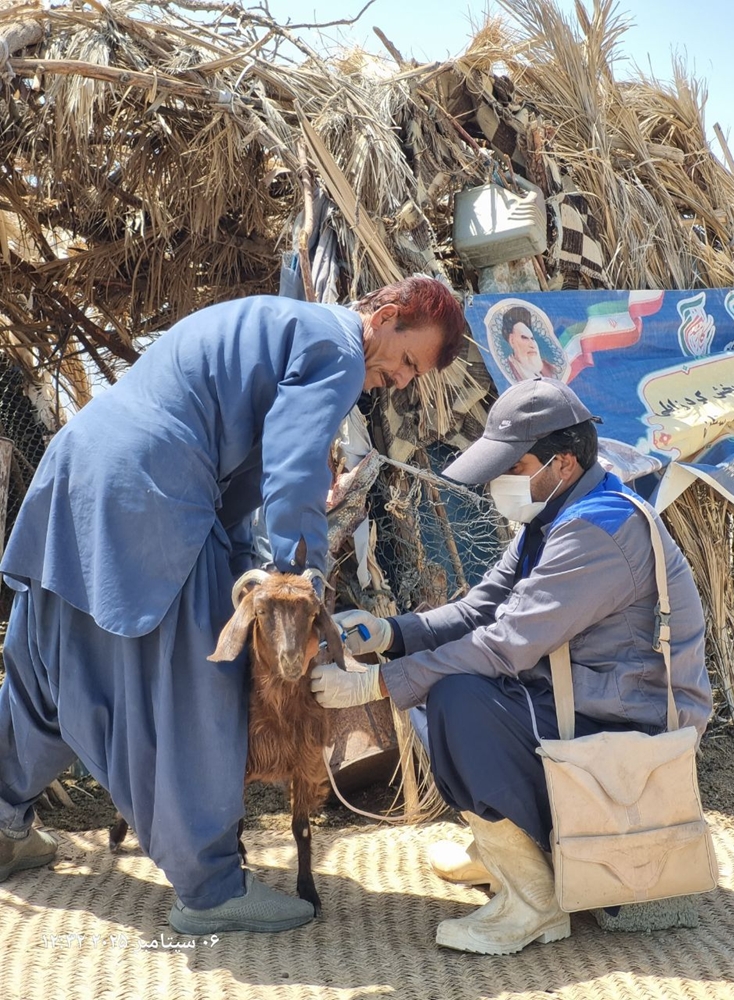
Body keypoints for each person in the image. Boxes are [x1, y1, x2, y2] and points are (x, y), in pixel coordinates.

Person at [0, 277, 465, 935]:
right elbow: (294, 465)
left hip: (80, 470)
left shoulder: (277, 323)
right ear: (386, 316)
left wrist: (242, 563)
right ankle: (211, 890)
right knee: (194, 690)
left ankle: (3, 824)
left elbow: (237, 474)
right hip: (150, 492)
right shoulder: (336, 348)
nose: (400, 380)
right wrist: (299, 579)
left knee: (49, 666)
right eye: (408, 360)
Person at [310, 376, 712, 956]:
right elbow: (480, 609)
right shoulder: (555, 517)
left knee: (455, 699)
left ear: (563, 463)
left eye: (513, 467)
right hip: (586, 711)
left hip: (632, 737)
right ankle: (505, 850)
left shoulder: (598, 532)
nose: (500, 482)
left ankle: (533, 898)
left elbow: (505, 646)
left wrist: (374, 682)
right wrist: (392, 633)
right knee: (432, 685)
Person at [502, 305, 557, 381]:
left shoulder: (550, 369)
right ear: (512, 340)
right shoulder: (507, 368)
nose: (532, 345)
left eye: (532, 339)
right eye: (524, 338)